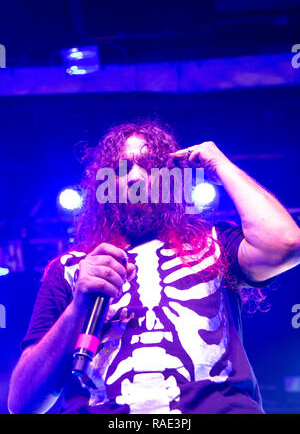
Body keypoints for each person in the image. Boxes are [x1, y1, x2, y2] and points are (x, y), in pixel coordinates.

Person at [8, 119, 300, 414]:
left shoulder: (214, 243)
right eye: (122, 169)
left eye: (148, 167)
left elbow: (285, 244)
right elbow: (22, 404)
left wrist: (220, 165)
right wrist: (79, 306)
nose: (135, 178)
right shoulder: (72, 269)